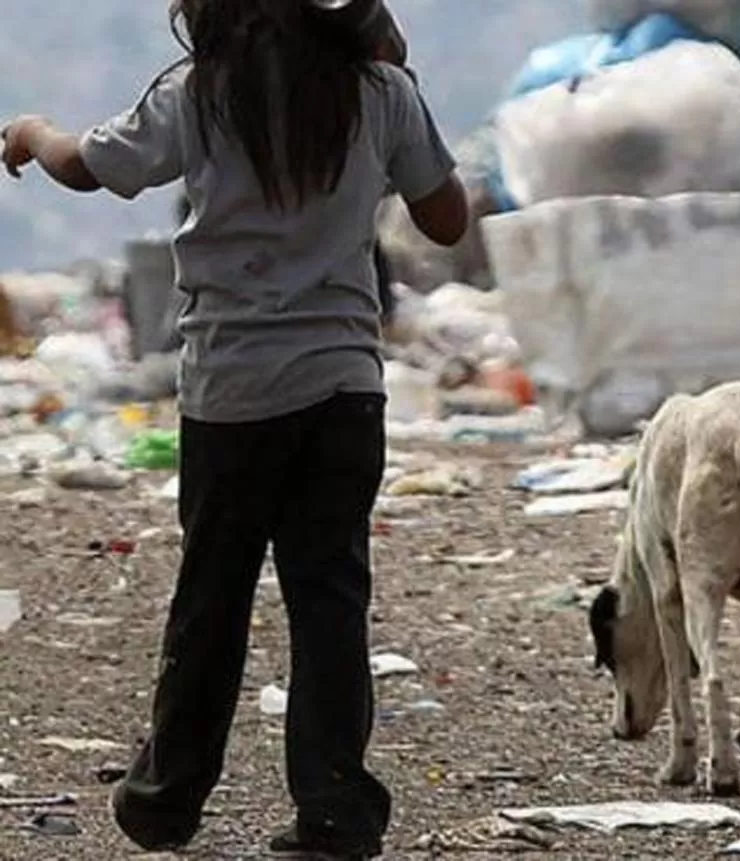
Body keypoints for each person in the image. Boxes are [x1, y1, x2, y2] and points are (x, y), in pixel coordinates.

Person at [1, 0, 468, 857]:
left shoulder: (197, 93)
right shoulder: (381, 92)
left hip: (231, 392)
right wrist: (398, 73)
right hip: (342, 388)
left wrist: (30, 130)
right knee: (330, 602)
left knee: (211, 600)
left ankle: (165, 801)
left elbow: (89, 167)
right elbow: (447, 219)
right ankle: (334, 814)